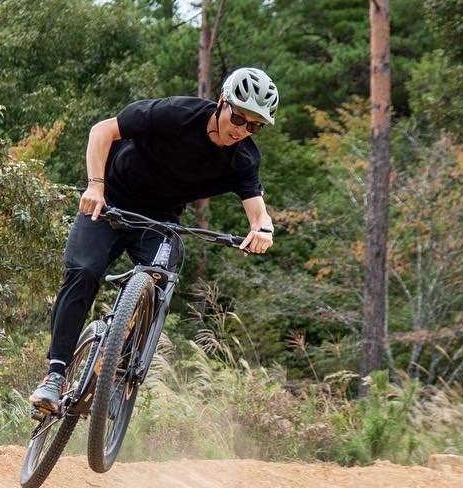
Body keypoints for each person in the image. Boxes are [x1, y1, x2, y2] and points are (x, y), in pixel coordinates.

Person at [29, 67, 280, 413]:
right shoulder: (177, 114)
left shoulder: (244, 159)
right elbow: (102, 130)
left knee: (161, 277)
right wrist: (95, 186)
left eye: (254, 126)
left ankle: (119, 369)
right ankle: (55, 376)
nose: (241, 130)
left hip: (159, 220)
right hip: (111, 201)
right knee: (84, 271)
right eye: (238, 118)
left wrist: (263, 231)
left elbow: (259, 213)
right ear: (221, 102)